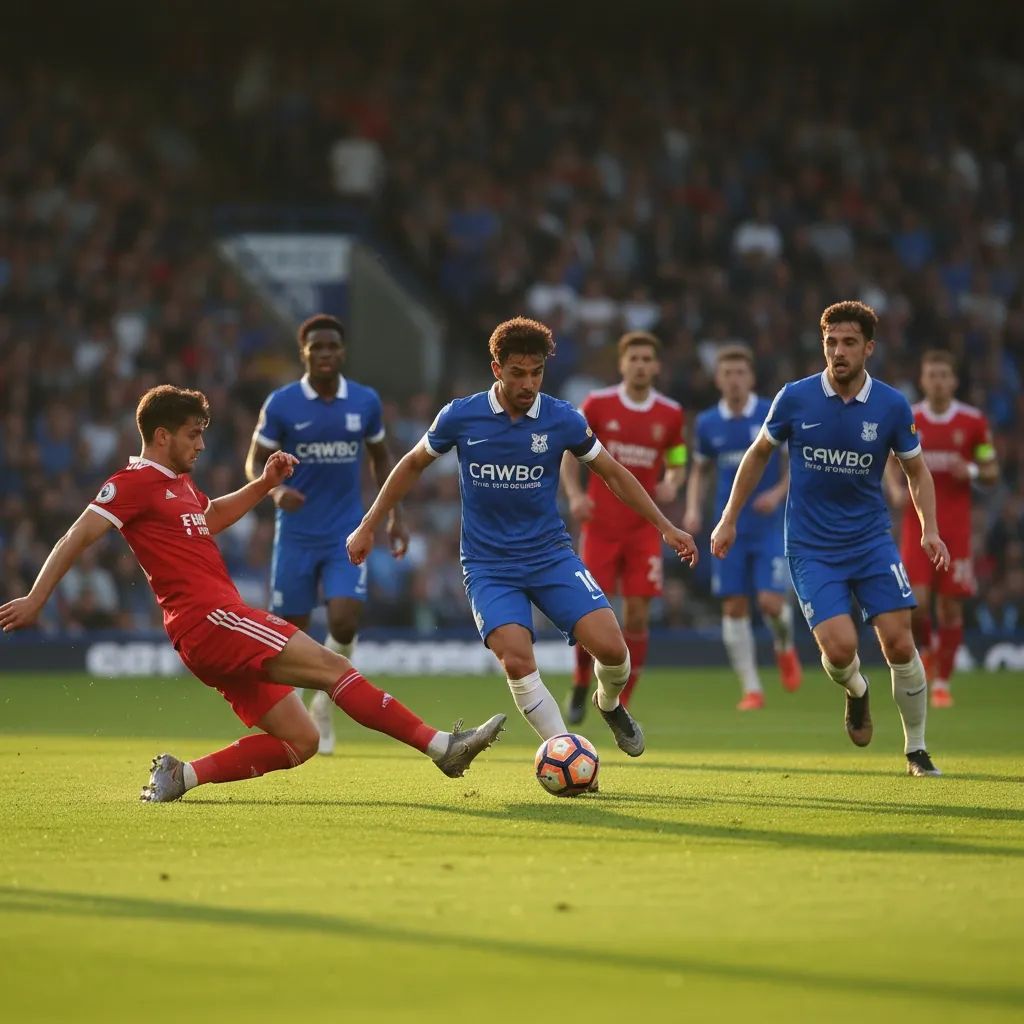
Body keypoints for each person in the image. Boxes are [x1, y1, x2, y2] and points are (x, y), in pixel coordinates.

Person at [0, 386, 504, 802]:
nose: (201, 446)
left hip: (204, 634)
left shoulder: (179, 486)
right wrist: (37, 598)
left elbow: (211, 516)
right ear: (161, 435)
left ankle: (182, 776)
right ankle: (443, 747)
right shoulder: (133, 483)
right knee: (335, 669)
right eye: (193, 435)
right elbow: (78, 535)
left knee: (300, 740)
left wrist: (264, 484)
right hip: (212, 619)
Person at [347, 317, 699, 760]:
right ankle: (564, 751)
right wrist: (368, 524)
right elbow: (412, 464)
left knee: (613, 650)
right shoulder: (461, 415)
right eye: (518, 372)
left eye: (537, 372)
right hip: (488, 566)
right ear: (496, 368)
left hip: (550, 556)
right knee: (517, 659)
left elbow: (611, 472)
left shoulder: (562, 418)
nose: (529, 382)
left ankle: (608, 704)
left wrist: (665, 525)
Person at [710, 301, 950, 777]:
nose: (838, 352)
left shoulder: (891, 406)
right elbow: (758, 455)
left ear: (868, 349)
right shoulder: (795, 398)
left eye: (848, 343)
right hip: (812, 548)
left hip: (871, 542)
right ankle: (857, 691)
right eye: (831, 343)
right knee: (840, 651)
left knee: (900, 644)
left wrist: (930, 529)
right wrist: (728, 517)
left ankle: (917, 750)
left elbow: (917, 471)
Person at [245, 314, 409, 755]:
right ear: (304, 352)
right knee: (290, 629)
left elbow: (381, 460)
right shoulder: (281, 404)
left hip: (345, 532)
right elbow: (253, 462)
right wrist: (276, 492)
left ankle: (323, 701)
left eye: (332, 346)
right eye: (316, 347)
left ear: (342, 351)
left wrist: (391, 516)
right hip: (296, 536)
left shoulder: (364, 401)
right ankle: (295, 709)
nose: (324, 354)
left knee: (344, 619)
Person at [559, 331, 687, 724]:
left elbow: (678, 457)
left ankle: (619, 702)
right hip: (600, 527)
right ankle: (582, 682)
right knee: (590, 614)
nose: (641, 365)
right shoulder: (597, 405)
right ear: (622, 363)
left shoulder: (670, 414)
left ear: (657, 366)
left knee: (636, 617)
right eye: (634, 358)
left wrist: (675, 480)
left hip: (644, 530)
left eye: (648, 359)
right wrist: (576, 496)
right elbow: (569, 452)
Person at [684, 345, 801, 710]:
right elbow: (699, 470)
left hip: (767, 525)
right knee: (734, 606)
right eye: (728, 373)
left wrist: (778, 493)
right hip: (727, 526)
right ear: (718, 379)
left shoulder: (770, 412)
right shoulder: (707, 423)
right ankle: (752, 689)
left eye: (740, 373)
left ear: (750, 377)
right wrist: (691, 509)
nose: (734, 380)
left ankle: (784, 646)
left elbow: (792, 464)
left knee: (769, 601)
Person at [887, 350, 998, 708]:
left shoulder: (972, 423)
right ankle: (930, 651)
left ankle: (943, 683)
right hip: (916, 526)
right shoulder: (910, 417)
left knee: (950, 607)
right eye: (931, 374)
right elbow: (889, 459)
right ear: (922, 380)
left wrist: (975, 471)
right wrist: (894, 488)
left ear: (953, 381)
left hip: (956, 528)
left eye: (943, 375)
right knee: (917, 605)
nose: (937, 381)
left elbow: (991, 468)